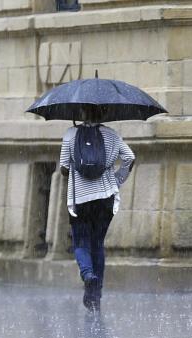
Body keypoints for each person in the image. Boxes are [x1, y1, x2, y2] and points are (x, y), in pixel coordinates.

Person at [59, 106, 135, 313]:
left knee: (81, 242)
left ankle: (87, 275)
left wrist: (76, 167)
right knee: (98, 244)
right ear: (104, 113)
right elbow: (130, 157)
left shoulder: (71, 134)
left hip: (81, 199)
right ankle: (95, 296)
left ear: (81, 113)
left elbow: (64, 167)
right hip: (106, 198)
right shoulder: (112, 135)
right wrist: (116, 180)